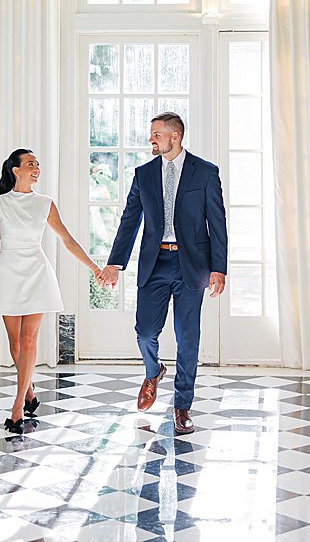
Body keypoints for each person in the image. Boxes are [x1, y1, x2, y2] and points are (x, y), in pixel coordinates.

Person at [100, 112, 228, 436]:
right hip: (154, 264)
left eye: (156, 134)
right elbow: (130, 220)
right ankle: (153, 370)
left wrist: (219, 268)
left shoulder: (206, 173)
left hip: (193, 266)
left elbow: (218, 223)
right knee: (145, 331)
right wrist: (115, 263)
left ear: (175, 136)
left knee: (188, 338)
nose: (151, 140)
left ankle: (182, 406)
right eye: (151, 134)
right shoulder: (143, 175)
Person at [0, 149, 107, 434]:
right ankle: (30, 392)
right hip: (8, 274)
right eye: (31, 164)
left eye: (38, 164)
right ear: (16, 170)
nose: (37, 168)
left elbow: (67, 239)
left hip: (37, 273)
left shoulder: (45, 203)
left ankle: (16, 408)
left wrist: (93, 267)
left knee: (29, 339)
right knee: (15, 345)